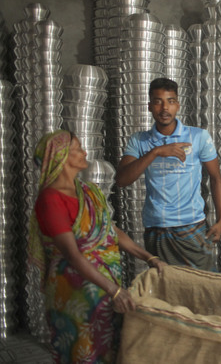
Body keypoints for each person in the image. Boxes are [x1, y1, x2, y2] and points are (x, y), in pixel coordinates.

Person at [28, 130, 166, 363]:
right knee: (83, 351)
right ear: (62, 157)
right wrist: (115, 291)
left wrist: (148, 257)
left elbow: (111, 231)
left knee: (109, 349)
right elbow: (73, 255)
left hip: (104, 288)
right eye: (78, 149)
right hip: (75, 292)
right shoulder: (51, 199)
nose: (85, 153)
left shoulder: (88, 192)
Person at [116, 78, 221, 270]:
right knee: (166, 291)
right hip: (157, 229)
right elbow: (122, 180)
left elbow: (216, 178)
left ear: (178, 105)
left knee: (204, 289)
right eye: (158, 101)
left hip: (192, 226)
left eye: (171, 101)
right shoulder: (140, 141)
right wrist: (156, 152)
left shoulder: (198, 136)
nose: (164, 107)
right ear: (149, 106)